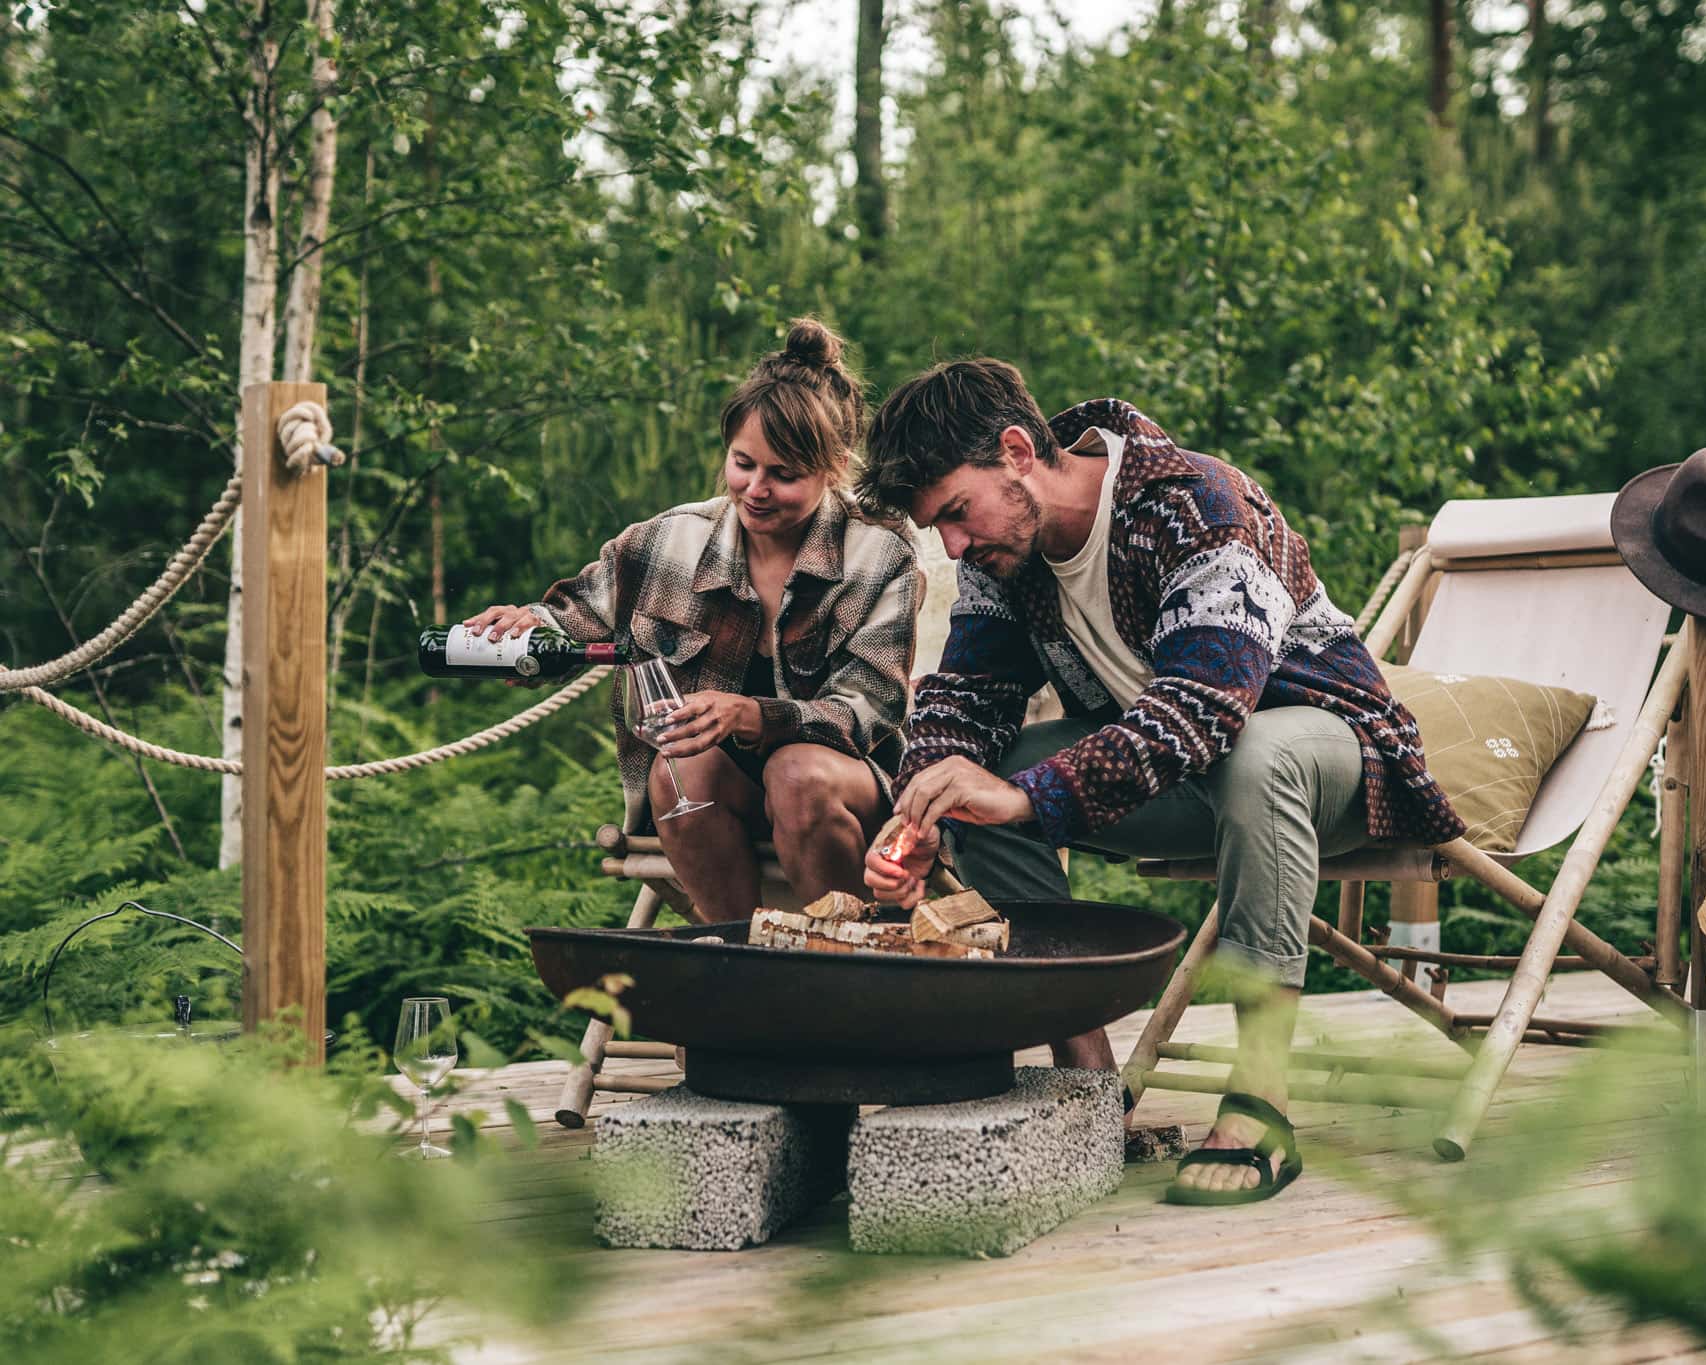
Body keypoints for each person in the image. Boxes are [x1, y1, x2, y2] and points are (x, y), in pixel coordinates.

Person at [855, 361, 1462, 1206]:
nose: (953, 547)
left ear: (1019, 450)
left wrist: (1032, 798)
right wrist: (917, 813)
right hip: (1179, 776)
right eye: (937, 529)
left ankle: (1261, 1103)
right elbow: (964, 697)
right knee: (971, 777)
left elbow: (1206, 709)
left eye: (956, 513)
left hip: (1337, 759)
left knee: (1256, 753)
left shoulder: (1198, 502)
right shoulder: (1005, 557)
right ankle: (1091, 1080)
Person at [465, 319, 922, 919]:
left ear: (832, 468)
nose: (756, 489)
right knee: (681, 766)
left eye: (784, 475)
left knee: (795, 772)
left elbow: (873, 706)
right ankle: (739, 965)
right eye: (743, 463)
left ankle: (848, 969)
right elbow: (572, 618)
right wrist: (522, 628)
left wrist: (756, 716)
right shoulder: (668, 542)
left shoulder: (881, 552)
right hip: (711, 803)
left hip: (843, 789)